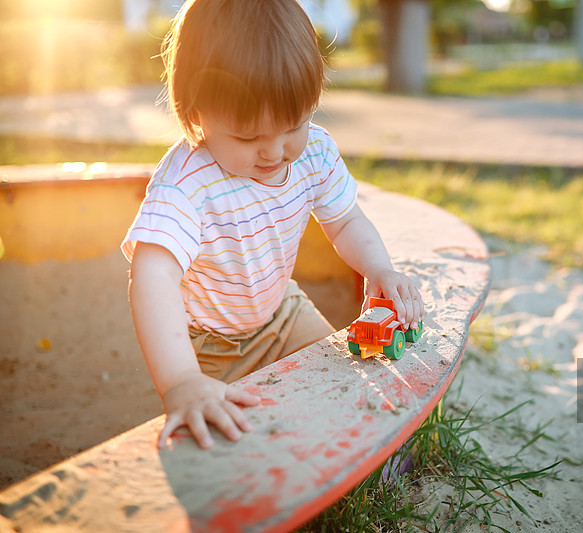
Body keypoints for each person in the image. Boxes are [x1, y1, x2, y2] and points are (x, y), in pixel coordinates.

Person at [121, 0, 424, 450]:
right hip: (207, 347)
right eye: (247, 137)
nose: (275, 152)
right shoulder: (187, 183)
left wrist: (378, 269)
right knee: (227, 441)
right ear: (196, 113)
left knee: (340, 386)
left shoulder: (315, 152)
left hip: (283, 314)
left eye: (293, 125)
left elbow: (345, 221)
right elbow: (152, 274)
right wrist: (181, 380)